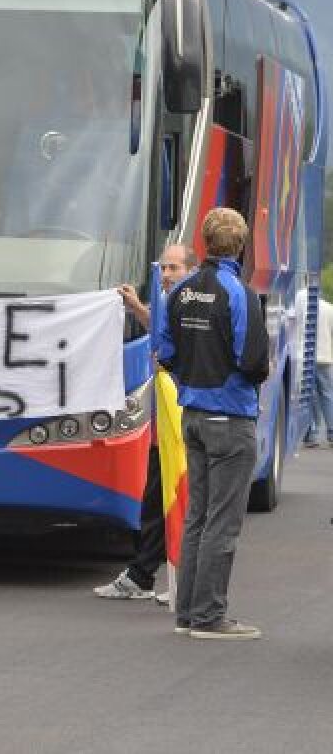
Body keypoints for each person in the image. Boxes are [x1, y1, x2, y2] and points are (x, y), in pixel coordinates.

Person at [156, 208, 269, 640]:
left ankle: (187, 613)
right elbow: (253, 361)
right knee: (223, 522)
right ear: (240, 245)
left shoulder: (179, 292)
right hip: (231, 416)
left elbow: (165, 353)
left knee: (197, 518)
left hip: (193, 415)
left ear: (204, 241)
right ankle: (209, 616)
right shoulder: (240, 293)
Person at [95, 243, 197, 601]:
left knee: (174, 499)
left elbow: (171, 341)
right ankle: (148, 575)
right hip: (165, 423)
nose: (166, 274)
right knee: (157, 498)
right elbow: (160, 330)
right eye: (164, 268)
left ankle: (171, 580)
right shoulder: (173, 301)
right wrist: (137, 306)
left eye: (174, 268)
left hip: (183, 420)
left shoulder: (193, 305)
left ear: (191, 270)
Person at [303, 295, 333, 448]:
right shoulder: (330, 308)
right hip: (326, 357)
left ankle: (312, 435)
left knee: (311, 397)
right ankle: (331, 432)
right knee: (328, 395)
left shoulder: (304, 306)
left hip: (307, 357)